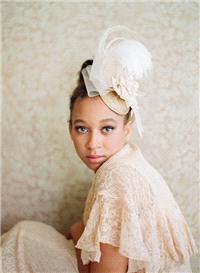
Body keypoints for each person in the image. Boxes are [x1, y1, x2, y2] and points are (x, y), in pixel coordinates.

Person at [1, 26, 198, 273]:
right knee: (24, 232)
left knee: (19, 243)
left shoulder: (118, 177)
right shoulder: (127, 160)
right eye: (82, 129)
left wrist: (76, 231)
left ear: (127, 129)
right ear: (70, 128)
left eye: (107, 129)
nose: (93, 144)